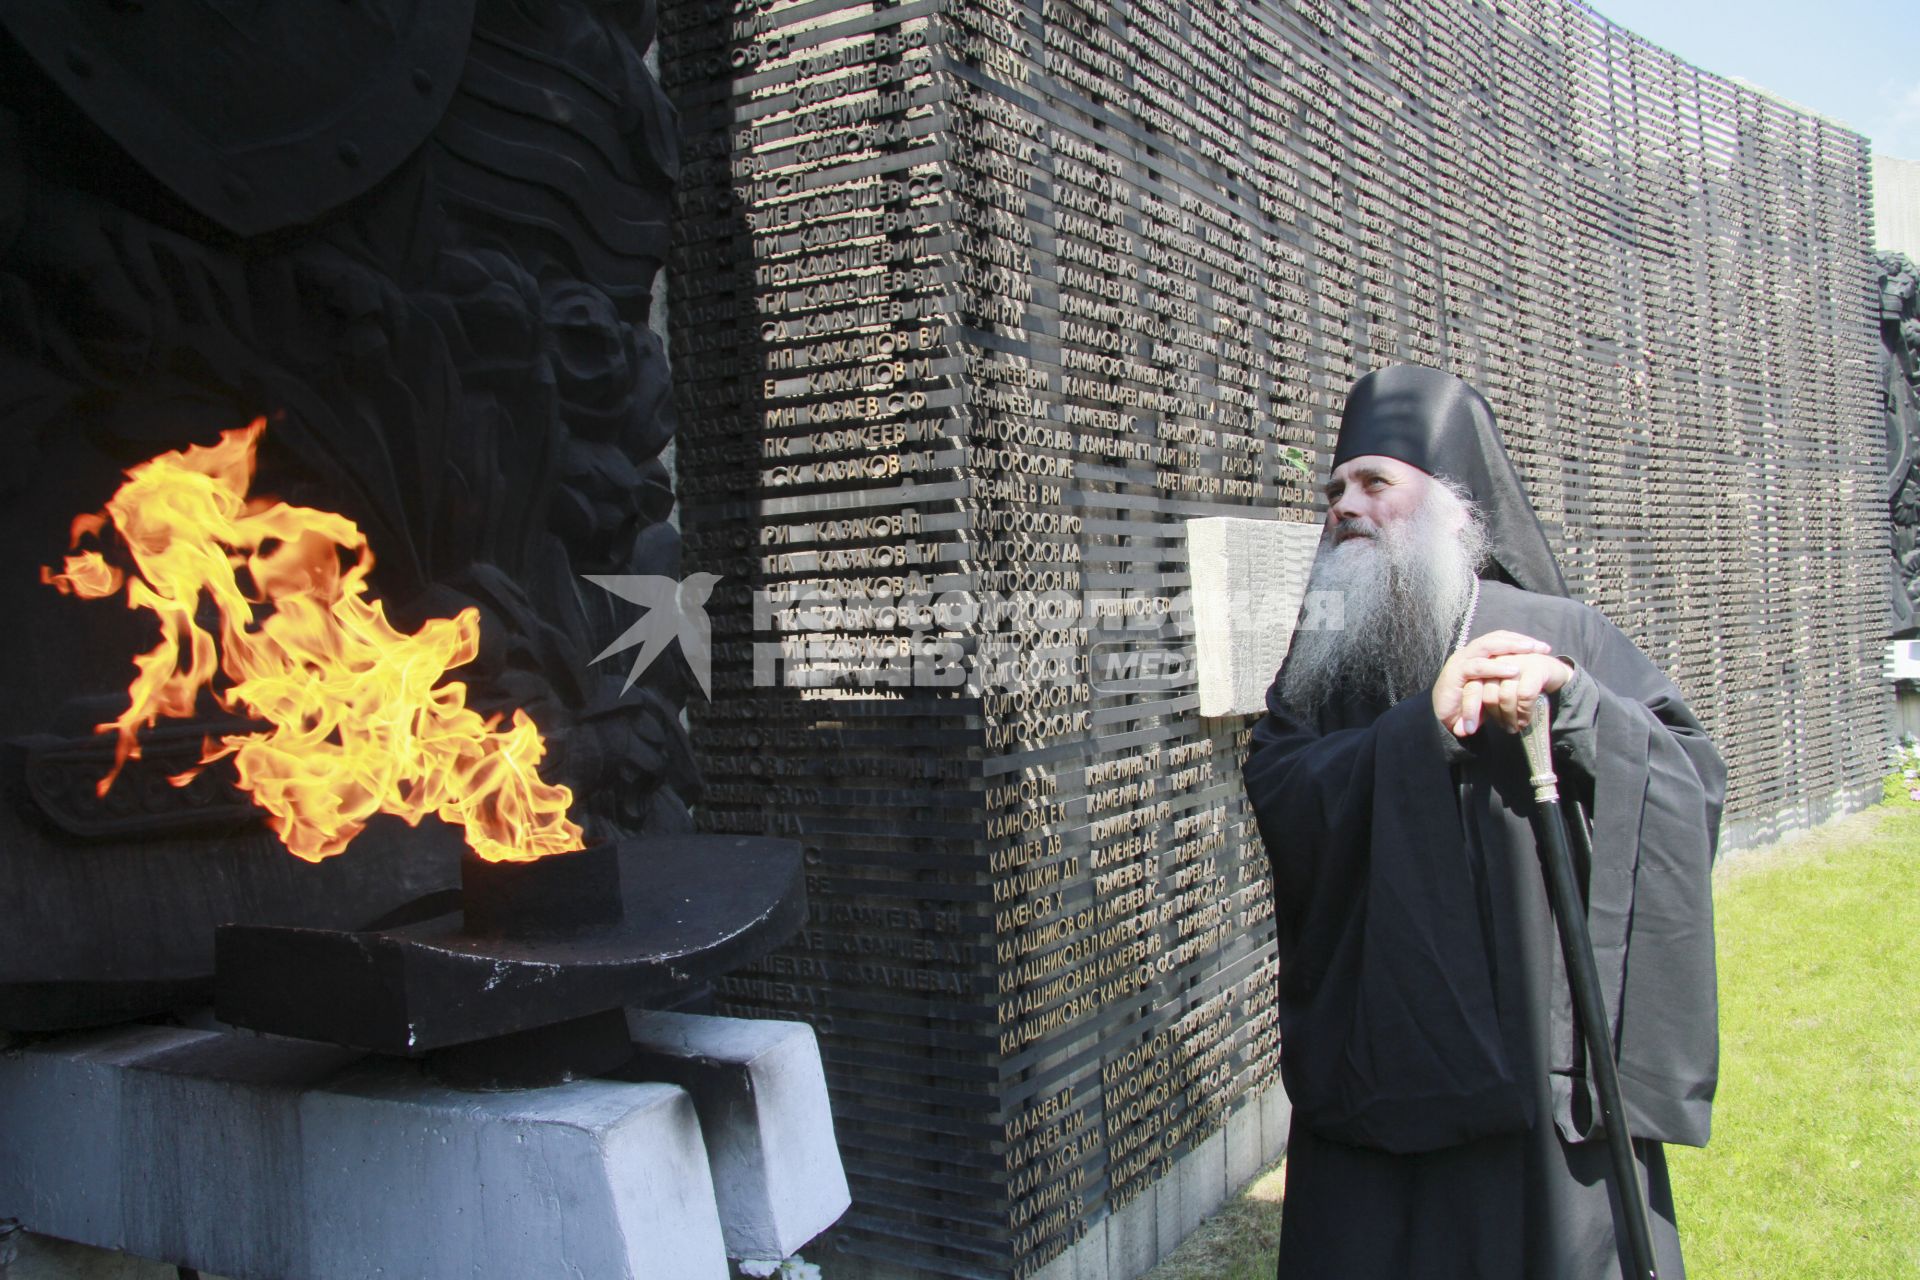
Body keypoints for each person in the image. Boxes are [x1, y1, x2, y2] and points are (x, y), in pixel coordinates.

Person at [1242, 364, 1724, 1279]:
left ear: (1450, 509)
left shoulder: (1556, 633)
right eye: (1335, 489)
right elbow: (1279, 782)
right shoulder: (1323, 655)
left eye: (1375, 483)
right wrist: (1416, 733)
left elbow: (1688, 777)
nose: (1344, 504)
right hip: (1374, 1084)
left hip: (1536, 1091)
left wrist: (1576, 708)